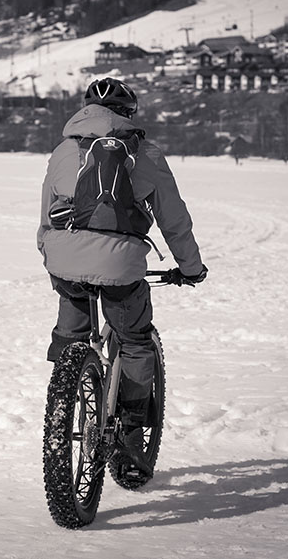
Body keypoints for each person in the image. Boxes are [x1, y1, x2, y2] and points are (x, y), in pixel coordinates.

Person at [37, 77, 207, 476]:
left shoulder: (63, 150)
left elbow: (46, 215)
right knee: (133, 341)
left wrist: (50, 256)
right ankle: (130, 437)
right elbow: (173, 219)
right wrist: (190, 268)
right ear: (129, 114)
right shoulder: (144, 151)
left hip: (64, 259)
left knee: (72, 332)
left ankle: (66, 392)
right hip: (120, 264)